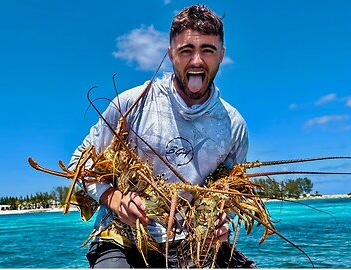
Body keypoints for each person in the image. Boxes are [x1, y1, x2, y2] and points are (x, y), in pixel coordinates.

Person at [68, 4, 256, 268]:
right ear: (171, 54)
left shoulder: (233, 125)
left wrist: (221, 224)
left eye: (208, 50)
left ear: (222, 55)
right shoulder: (130, 104)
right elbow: (80, 163)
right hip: (124, 237)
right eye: (186, 50)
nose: (197, 61)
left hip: (194, 242)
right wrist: (116, 199)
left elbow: (231, 189)